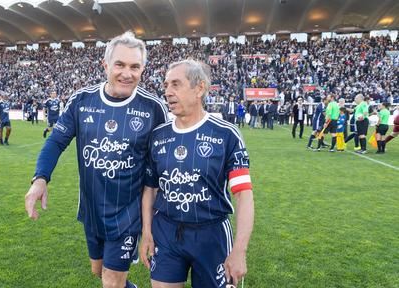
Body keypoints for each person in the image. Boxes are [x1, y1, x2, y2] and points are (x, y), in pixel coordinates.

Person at [24, 31, 168, 288]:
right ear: (106, 66)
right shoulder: (82, 101)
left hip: (128, 214)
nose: (127, 73)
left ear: (143, 69)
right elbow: (56, 141)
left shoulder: (153, 109)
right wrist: (40, 178)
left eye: (135, 67)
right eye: (120, 65)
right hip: (91, 211)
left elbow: (165, 161)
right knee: (99, 271)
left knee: (111, 283)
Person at [140, 59, 254, 288]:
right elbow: (150, 189)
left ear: (199, 88)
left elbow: (243, 195)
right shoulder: (158, 136)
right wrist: (147, 231)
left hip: (211, 234)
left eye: (176, 84)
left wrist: (240, 249)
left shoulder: (226, 134)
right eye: (165, 86)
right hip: (166, 231)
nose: (168, 92)